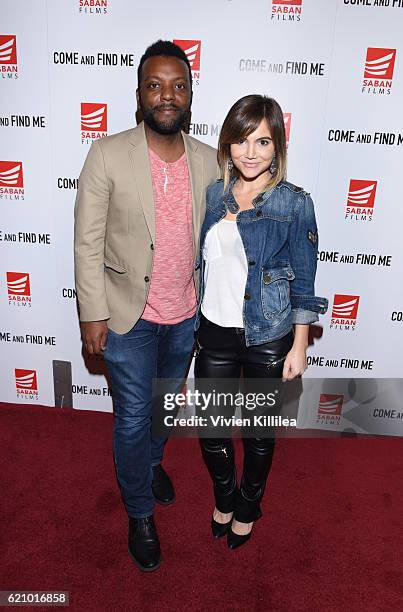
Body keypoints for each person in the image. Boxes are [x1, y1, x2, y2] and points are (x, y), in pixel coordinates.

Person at [74, 40, 218, 572]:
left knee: (163, 410)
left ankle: (153, 465)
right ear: (139, 94)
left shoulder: (208, 160)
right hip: (126, 317)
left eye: (178, 86)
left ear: (189, 95)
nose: (167, 95)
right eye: (156, 85)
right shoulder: (108, 153)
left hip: (186, 315)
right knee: (134, 416)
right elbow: (86, 240)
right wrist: (92, 313)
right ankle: (139, 512)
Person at [194, 94, 328, 549]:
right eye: (241, 140)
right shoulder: (214, 195)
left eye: (263, 142)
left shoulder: (295, 204)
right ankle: (225, 496)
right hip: (213, 331)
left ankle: (249, 505)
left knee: (257, 436)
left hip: (268, 335)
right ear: (228, 144)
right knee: (212, 434)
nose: (250, 152)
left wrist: (299, 345)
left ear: (278, 148)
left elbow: (305, 281)